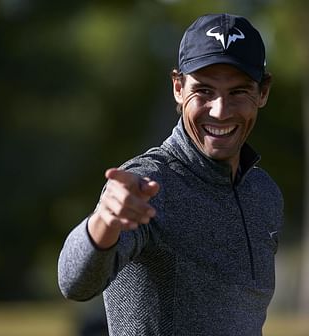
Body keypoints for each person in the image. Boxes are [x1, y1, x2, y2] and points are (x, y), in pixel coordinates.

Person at [58, 13, 283, 336]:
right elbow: (74, 283)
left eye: (237, 92)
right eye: (204, 91)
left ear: (263, 92)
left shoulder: (264, 193)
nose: (220, 110)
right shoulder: (146, 183)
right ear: (178, 88)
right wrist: (103, 222)